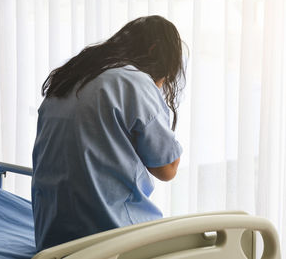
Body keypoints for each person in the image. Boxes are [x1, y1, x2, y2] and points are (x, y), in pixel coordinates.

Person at [31, 15, 186, 252]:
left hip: (53, 241)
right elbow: (167, 168)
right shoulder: (134, 81)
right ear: (155, 51)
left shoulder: (68, 78)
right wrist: (156, 92)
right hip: (111, 239)